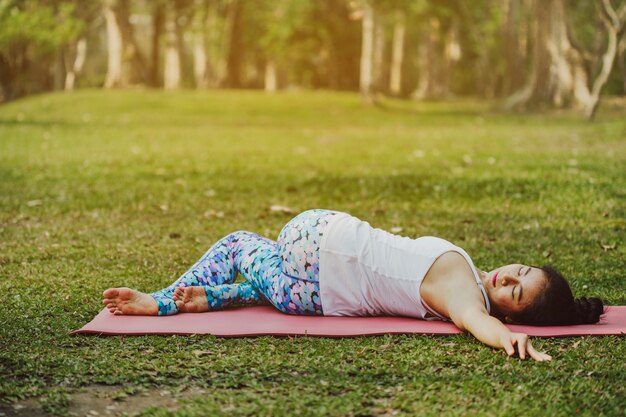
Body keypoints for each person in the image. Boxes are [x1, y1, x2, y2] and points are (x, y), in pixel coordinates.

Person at [102, 209, 604, 362]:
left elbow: (478, 323)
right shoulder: (471, 276)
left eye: (514, 291)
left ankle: (161, 302)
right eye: (521, 271)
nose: (507, 277)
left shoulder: (467, 298)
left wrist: (507, 338)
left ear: (508, 314)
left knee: (237, 245)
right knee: (257, 263)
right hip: (307, 275)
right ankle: (216, 296)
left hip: (313, 280)